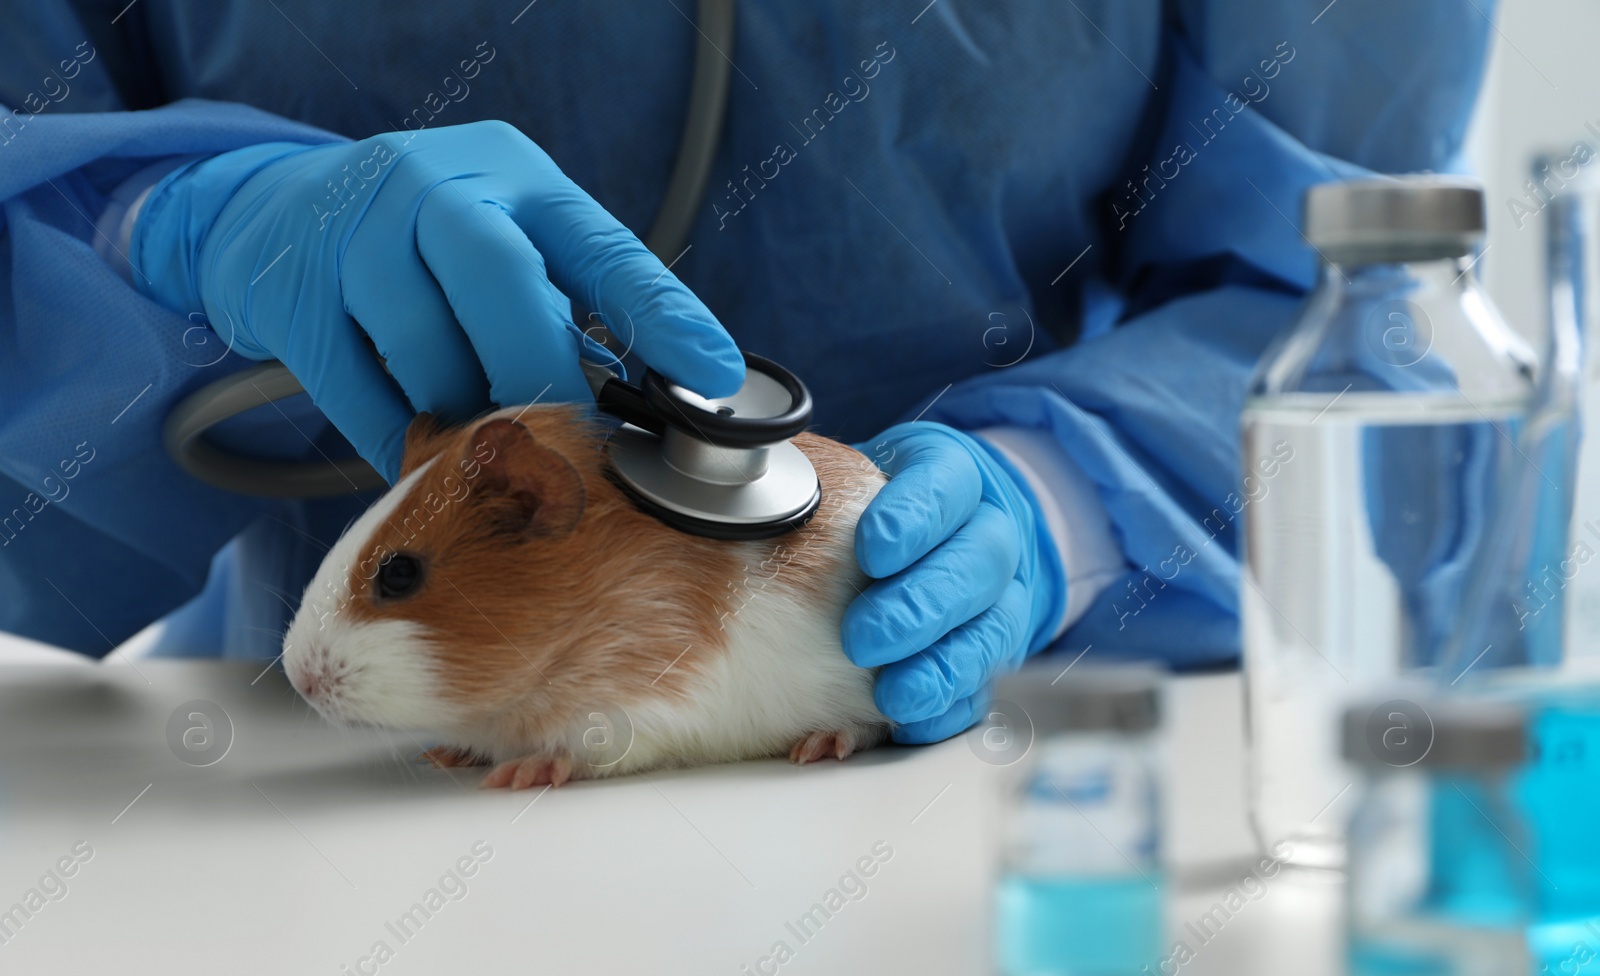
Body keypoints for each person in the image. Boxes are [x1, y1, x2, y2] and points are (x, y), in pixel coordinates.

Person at [0, 1, 1492, 744]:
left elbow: (1349, 282)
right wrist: (146, 216)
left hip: (1038, 730)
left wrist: (1061, 503)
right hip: (315, 753)